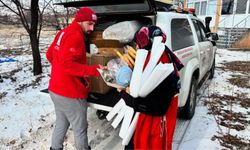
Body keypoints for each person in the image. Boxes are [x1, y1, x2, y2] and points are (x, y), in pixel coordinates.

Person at [46, 7, 104, 150]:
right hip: (70, 93)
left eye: (93, 24)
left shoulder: (63, 32)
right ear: (80, 21)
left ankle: (55, 147)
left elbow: (49, 55)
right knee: (80, 129)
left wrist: (59, 73)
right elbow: (67, 65)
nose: (92, 28)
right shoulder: (75, 36)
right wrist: (94, 70)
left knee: (62, 122)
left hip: (55, 89)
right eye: (89, 24)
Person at [117, 25, 184, 150]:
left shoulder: (163, 66)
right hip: (146, 119)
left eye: (138, 43)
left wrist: (126, 96)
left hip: (154, 125)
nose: (136, 47)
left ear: (147, 43)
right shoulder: (157, 57)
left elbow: (158, 107)